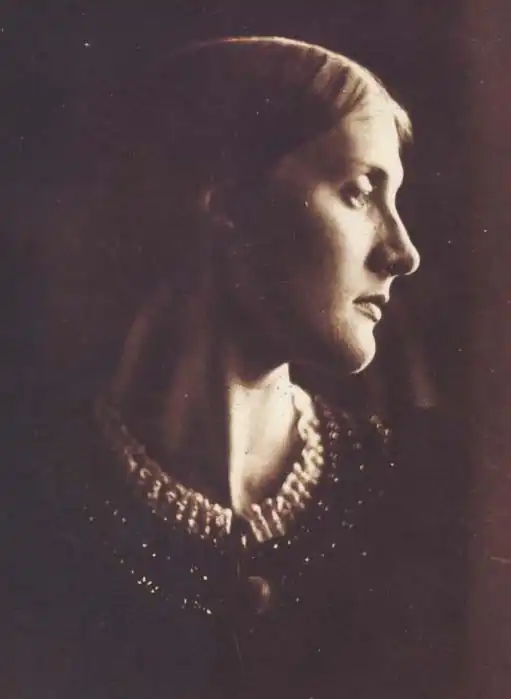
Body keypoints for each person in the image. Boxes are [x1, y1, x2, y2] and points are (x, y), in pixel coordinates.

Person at [4, 36, 460, 699]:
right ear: (225, 197)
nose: (403, 251)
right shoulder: (29, 497)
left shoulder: (419, 494)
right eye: (359, 192)